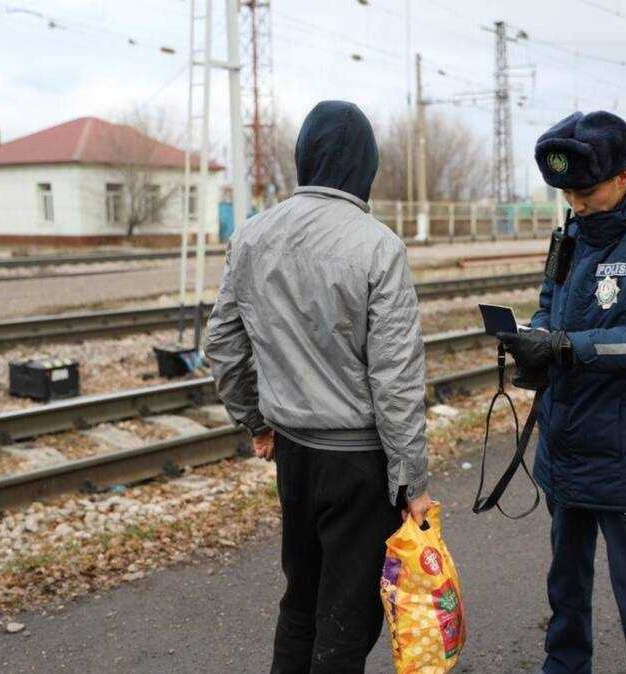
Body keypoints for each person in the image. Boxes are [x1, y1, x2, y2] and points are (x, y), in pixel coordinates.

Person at [205, 100, 433, 674]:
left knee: (301, 600)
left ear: (304, 157)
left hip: (295, 456)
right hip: (359, 463)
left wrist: (256, 423)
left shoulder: (253, 236)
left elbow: (223, 345)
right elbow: (396, 379)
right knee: (347, 620)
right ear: (367, 165)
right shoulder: (379, 246)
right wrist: (413, 482)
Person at [497, 111, 626, 674]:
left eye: (585, 191)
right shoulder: (569, 233)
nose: (575, 203)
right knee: (565, 586)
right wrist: (536, 342)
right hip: (566, 444)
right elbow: (551, 301)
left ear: (622, 175)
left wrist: (566, 348)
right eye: (566, 192)